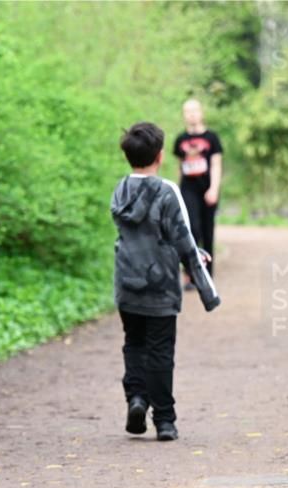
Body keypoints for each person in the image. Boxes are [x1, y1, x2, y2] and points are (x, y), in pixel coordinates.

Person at [111, 122, 221, 442]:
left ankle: (136, 399)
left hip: (127, 282)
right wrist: (207, 291)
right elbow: (182, 239)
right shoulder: (167, 190)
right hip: (160, 286)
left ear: (128, 157)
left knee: (134, 343)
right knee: (160, 352)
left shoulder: (120, 190)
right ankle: (165, 420)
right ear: (160, 156)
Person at [173, 99, 223, 283]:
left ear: (201, 112)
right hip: (188, 189)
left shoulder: (212, 138)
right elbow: (180, 167)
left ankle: (207, 275)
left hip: (208, 189)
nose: (191, 114)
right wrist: (177, 192)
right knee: (191, 229)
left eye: (194, 110)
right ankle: (191, 274)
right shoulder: (180, 140)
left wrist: (214, 189)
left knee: (207, 231)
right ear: (184, 114)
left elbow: (217, 165)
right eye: (187, 111)